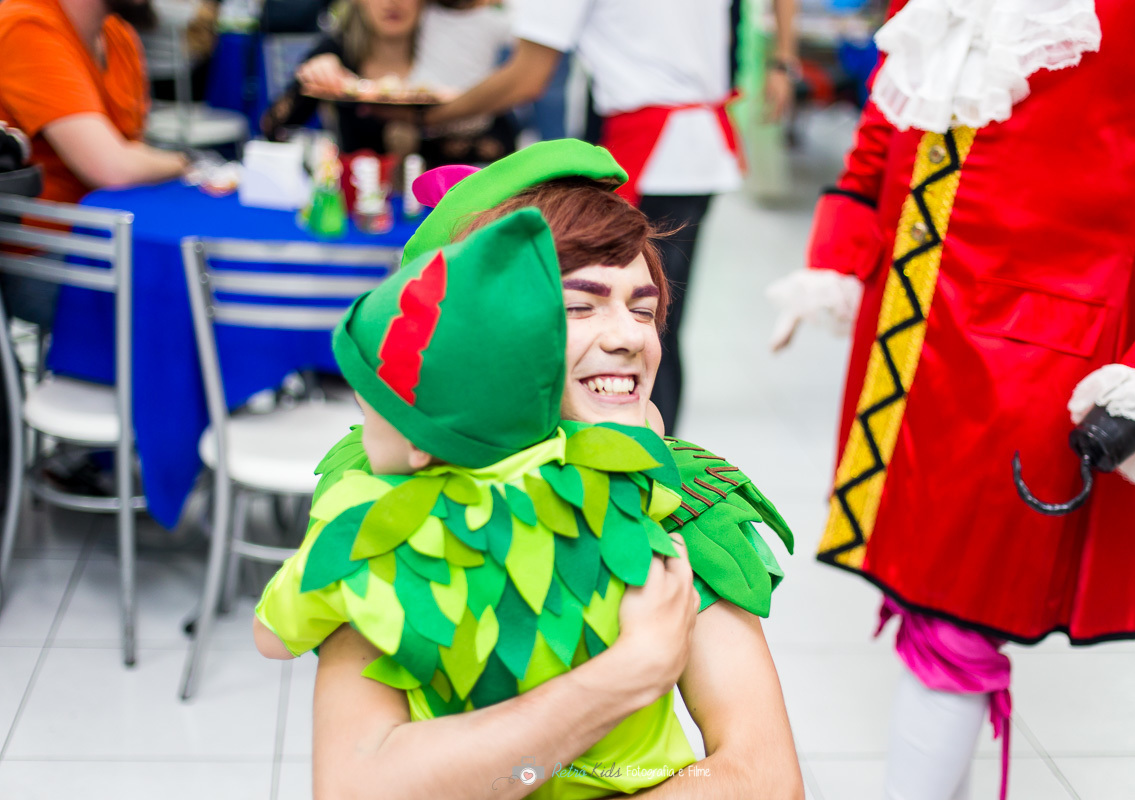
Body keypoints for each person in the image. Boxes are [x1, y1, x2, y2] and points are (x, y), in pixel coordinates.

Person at [280, 139, 804, 798]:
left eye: (643, 309)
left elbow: (762, 777)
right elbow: (361, 786)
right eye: (580, 306)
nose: (629, 337)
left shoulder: (682, 496)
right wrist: (624, 677)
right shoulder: (395, 493)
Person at [769, 1, 1135, 798]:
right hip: (903, 339)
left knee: (952, 628)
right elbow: (893, 107)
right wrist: (838, 255)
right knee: (928, 609)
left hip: (1039, 363)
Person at [408, 0, 798, 437]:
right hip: (692, 150)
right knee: (653, 329)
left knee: (634, 332)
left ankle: (645, 471)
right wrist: (783, 59)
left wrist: (426, 117)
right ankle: (649, 464)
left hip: (652, 153)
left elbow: (528, 76)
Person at [0, 0, 189, 330]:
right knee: (185, 302)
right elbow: (112, 167)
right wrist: (184, 162)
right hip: (41, 256)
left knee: (195, 279)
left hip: (104, 233)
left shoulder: (116, 35)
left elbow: (129, 156)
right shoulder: (26, 26)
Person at [261, 0, 516, 168]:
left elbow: (502, 143)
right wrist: (310, 77)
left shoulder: (448, 55)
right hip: (358, 219)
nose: (393, 2)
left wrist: (419, 140)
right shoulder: (339, 51)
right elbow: (273, 127)